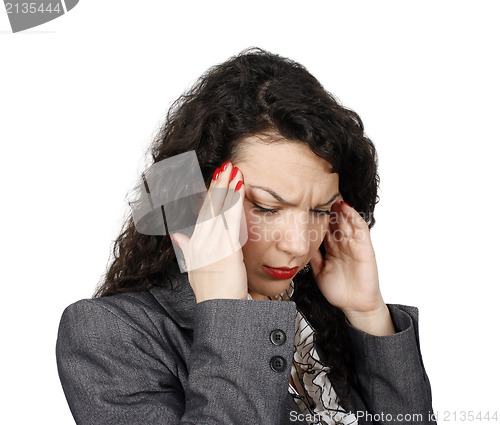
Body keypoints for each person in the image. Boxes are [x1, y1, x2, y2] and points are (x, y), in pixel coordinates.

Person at [56, 48, 435, 425]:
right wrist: (228, 314)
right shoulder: (107, 335)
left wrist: (368, 315)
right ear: (197, 196)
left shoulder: (324, 311)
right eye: (267, 208)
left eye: (320, 211)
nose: (299, 244)